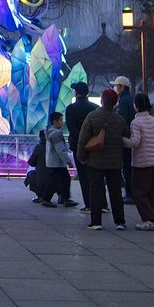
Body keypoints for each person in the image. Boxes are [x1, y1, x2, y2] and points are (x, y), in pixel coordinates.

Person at [77, 88, 130, 231]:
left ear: (102, 100)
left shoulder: (92, 116)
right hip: (114, 162)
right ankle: (120, 221)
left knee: (96, 190)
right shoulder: (119, 119)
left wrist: (81, 156)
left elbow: (83, 138)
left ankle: (96, 221)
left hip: (96, 161)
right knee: (115, 191)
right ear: (115, 102)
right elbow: (126, 134)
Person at [127, 93, 154, 230]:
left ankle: (148, 219)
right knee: (153, 192)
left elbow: (135, 142)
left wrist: (122, 140)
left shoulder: (136, 122)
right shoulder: (153, 120)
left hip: (142, 162)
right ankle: (153, 219)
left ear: (136, 106)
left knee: (139, 192)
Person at [65, 82, 99, 212]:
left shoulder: (71, 109)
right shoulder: (95, 108)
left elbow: (72, 128)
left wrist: (81, 141)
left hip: (78, 145)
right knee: (96, 175)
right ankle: (101, 204)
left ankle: (89, 204)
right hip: (94, 145)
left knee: (84, 176)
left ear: (76, 92)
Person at [39, 112, 76, 207]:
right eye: (60, 120)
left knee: (57, 180)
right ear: (55, 121)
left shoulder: (50, 132)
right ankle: (56, 199)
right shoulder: (56, 134)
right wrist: (68, 161)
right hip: (57, 162)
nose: (62, 122)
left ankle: (60, 198)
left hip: (53, 161)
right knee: (61, 180)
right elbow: (60, 149)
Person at [111, 76, 134, 201]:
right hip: (129, 136)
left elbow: (121, 120)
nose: (115, 88)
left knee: (127, 167)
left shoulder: (123, 101)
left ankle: (129, 193)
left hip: (125, 137)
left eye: (116, 86)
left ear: (122, 87)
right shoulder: (129, 99)